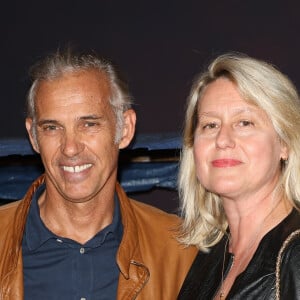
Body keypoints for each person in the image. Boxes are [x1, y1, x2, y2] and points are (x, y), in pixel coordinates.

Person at [0, 48, 197, 300]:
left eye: (89, 124)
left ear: (125, 129)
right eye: (52, 127)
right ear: (33, 137)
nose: (70, 147)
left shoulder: (179, 252)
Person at [177, 53, 300, 299]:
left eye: (244, 123)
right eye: (210, 125)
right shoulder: (210, 255)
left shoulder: (296, 255)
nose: (222, 140)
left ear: (284, 143)